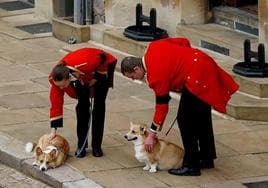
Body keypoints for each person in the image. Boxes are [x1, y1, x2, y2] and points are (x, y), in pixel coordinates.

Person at [120, 37, 239, 176]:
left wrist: (152, 135)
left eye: (133, 76)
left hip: (196, 77)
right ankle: (207, 158)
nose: (135, 79)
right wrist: (185, 62)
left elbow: (162, 107)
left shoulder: (155, 76)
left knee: (185, 120)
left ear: (137, 68)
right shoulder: (153, 46)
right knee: (202, 116)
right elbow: (183, 41)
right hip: (202, 62)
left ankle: (191, 165)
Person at [48, 47, 117, 158]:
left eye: (62, 85)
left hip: (100, 72)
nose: (61, 88)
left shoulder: (85, 62)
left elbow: (103, 58)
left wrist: (96, 78)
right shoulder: (55, 80)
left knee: (98, 109)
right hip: (82, 80)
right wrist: (53, 130)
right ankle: (82, 145)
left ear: (68, 78)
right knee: (82, 108)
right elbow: (56, 103)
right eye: (58, 86)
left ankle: (96, 146)